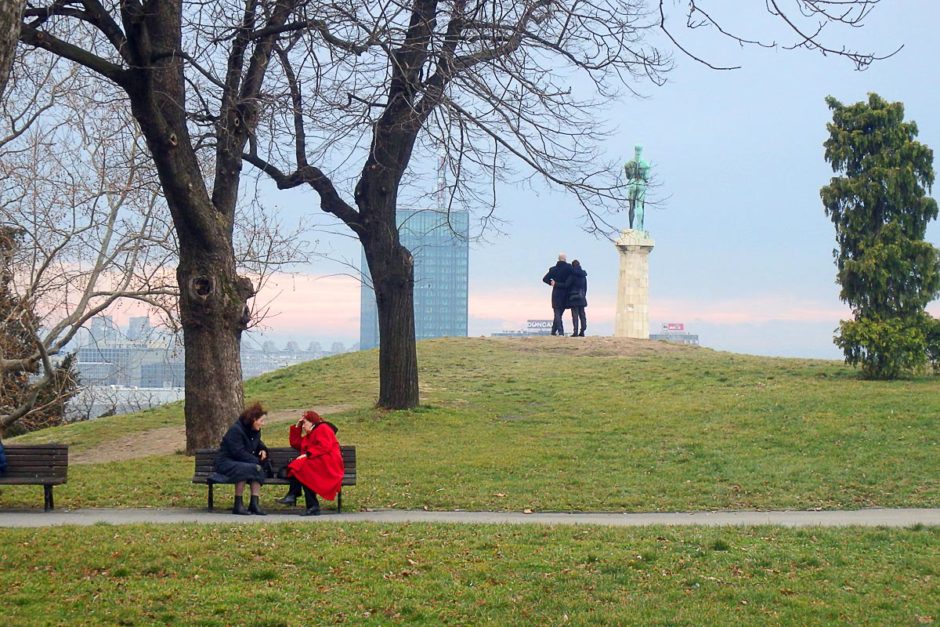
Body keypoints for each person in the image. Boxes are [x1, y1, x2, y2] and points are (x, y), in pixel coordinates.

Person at [276, 410, 344, 516]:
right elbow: (295, 443)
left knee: (301, 466)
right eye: (302, 424)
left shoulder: (323, 428)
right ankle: (309, 504)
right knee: (303, 471)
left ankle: (295, 495)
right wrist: (297, 426)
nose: (303, 426)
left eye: (304, 423)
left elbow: (324, 446)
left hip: (329, 464)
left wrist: (307, 454)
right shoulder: (310, 434)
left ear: (312, 422)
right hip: (319, 464)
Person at [214, 401, 269, 515]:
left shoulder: (255, 431)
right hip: (226, 462)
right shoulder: (236, 430)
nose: (263, 424)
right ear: (253, 419)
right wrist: (256, 461)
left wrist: (263, 449)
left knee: (255, 468)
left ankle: (254, 503)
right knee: (246, 468)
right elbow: (237, 452)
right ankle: (238, 505)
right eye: (261, 421)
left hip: (241, 461)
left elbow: (258, 443)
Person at [542, 253, 572, 336]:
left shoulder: (553, 269)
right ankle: (559, 331)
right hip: (566, 293)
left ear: (558, 259)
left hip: (556, 293)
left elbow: (544, 279)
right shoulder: (569, 268)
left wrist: (551, 283)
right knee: (559, 313)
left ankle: (555, 331)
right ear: (565, 259)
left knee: (557, 312)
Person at [567, 259, 588, 336]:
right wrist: (583, 295)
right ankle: (582, 330)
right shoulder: (583, 276)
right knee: (582, 315)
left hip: (573, 297)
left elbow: (567, 285)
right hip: (582, 297)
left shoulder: (572, 275)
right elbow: (585, 287)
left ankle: (575, 332)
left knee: (575, 315)